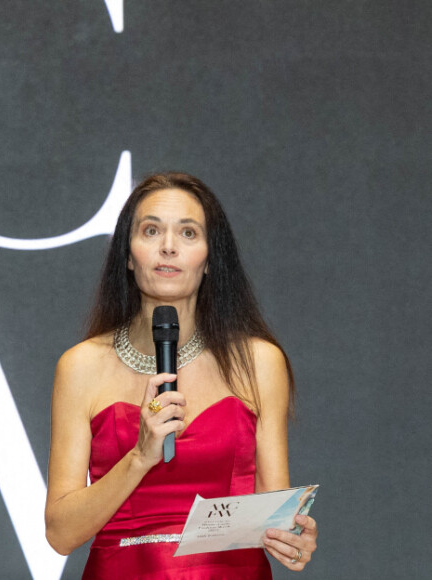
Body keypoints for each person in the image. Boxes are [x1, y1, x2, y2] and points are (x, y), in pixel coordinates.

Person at [45, 172, 318, 579]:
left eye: (188, 233)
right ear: (127, 254)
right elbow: (60, 534)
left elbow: (272, 509)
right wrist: (139, 457)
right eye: (151, 230)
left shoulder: (260, 362)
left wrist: (293, 537)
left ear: (210, 259)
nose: (168, 247)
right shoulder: (81, 366)